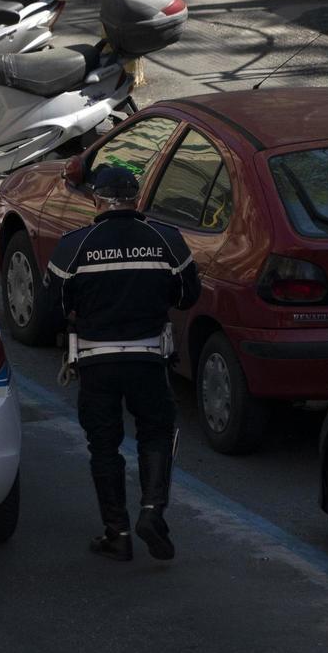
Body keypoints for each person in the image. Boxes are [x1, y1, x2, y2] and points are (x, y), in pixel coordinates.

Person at [43, 164, 201, 562]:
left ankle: (118, 532)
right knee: (157, 433)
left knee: (103, 445)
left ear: (96, 200)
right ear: (136, 199)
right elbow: (187, 295)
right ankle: (152, 511)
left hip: (97, 362)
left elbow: (54, 307)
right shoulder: (166, 239)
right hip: (149, 359)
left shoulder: (75, 244)